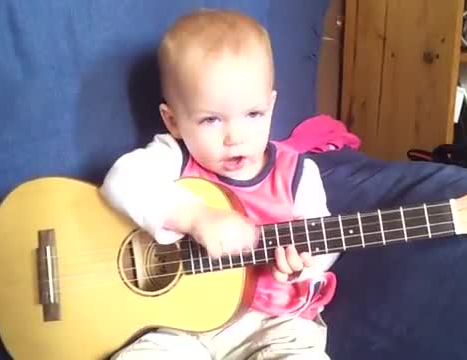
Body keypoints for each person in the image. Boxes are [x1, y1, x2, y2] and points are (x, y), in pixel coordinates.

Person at [100, 8, 339, 359]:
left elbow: (326, 241)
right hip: (179, 325)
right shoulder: (174, 157)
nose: (235, 137)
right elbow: (121, 180)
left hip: (273, 322)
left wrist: (306, 264)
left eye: (253, 114)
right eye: (211, 120)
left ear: (271, 107)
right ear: (174, 121)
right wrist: (194, 217)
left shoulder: (298, 174)